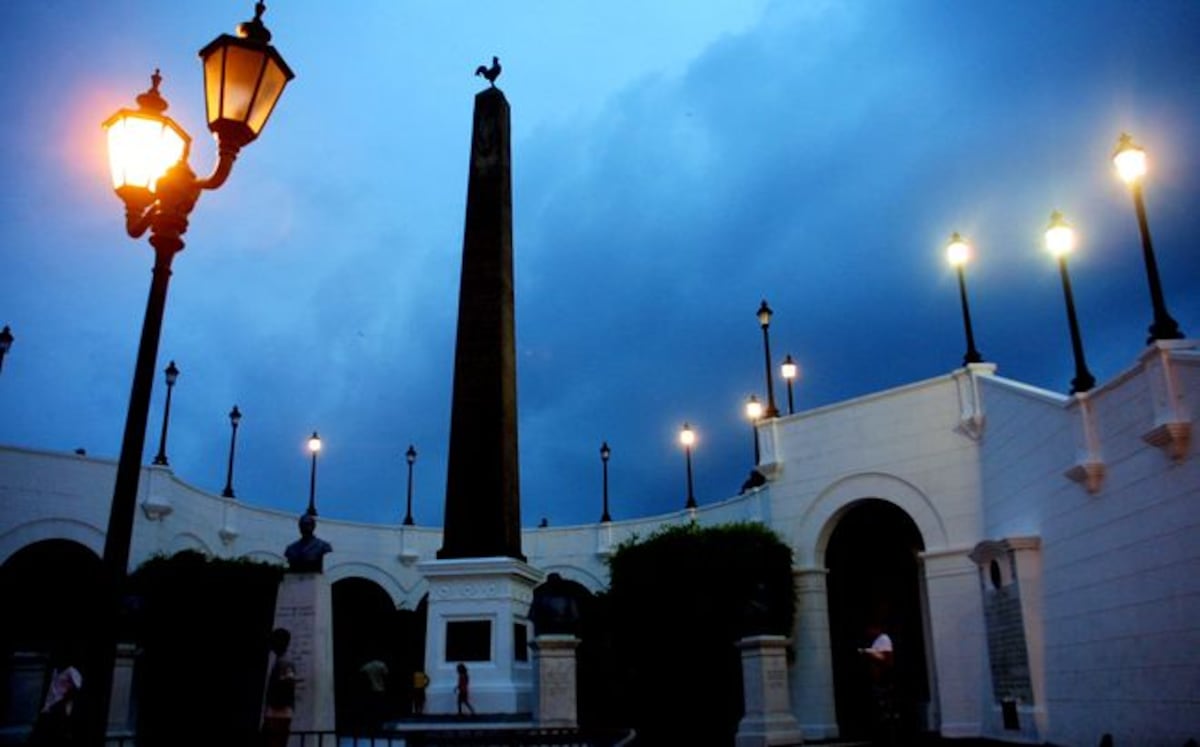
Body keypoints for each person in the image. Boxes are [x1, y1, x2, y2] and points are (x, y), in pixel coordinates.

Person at [29, 648, 82, 745]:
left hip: (60, 703)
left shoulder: (71, 671)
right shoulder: (55, 671)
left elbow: (77, 686)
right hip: (50, 705)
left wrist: (67, 693)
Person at [858, 623, 897, 744]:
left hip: (883, 681)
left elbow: (886, 658)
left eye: (871, 628)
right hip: (878, 681)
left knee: (885, 709)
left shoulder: (883, 639)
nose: (868, 631)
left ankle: (888, 736)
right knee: (879, 709)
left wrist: (868, 652)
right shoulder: (876, 641)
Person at [262, 628, 297, 747]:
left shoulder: (285, 662)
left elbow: (288, 683)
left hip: (278, 713)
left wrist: (275, 704)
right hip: (278, 712)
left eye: (274, 641)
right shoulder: (281, 661)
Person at [358, 658, 389, 731]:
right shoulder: (382, 665)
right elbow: (386, 674)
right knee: (380, 707)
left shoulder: (367, 665)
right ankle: (379, 725)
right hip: (380, 689)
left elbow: (361, 671)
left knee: (372, 708)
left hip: (371, 690)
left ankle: (372, 725)